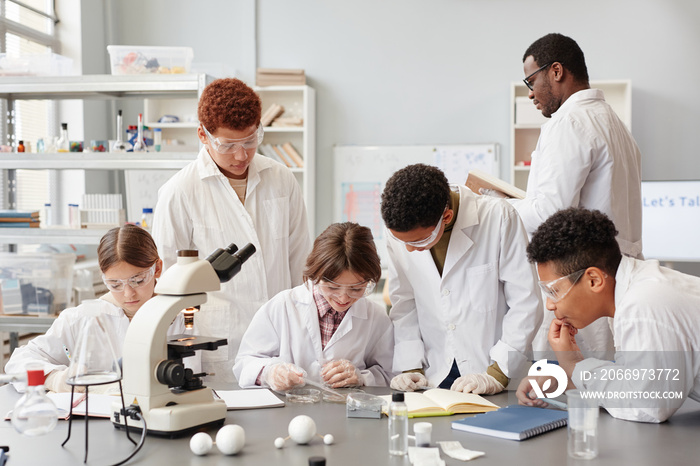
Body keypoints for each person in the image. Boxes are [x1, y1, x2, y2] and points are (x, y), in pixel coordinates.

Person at [152, 78, 311, 383]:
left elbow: (300, 261)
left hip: (281, 341)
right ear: (203, 134)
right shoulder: (179, 192)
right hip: (218, 345)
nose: (241, 156)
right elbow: (168, 282)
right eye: (227, 145)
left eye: (250, 141)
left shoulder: (281, 179)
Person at [503, 33, 643, 354]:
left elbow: (548, 215)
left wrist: (496, 208)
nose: (530, 95)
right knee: (609, 385)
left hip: (581, 285)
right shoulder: (616, 125)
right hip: (613, 282)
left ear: (556, 72)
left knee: (576, 387)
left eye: (530, 81)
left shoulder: (570, 122)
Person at [516, 208, 700, 423]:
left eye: (553, 291)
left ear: (593, 280)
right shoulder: (636, 286)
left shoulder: (643, 304)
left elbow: (648, 405)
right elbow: (635, 379)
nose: (549, 305)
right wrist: (567, 379)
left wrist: (574, 365)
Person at [381, 164, 542, 394]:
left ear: (446, 216)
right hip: (433, 373)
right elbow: (403, 303)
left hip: (489, 369)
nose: (407, 249)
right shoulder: (400, 230)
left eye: (416, 242)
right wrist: (410, 367)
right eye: (402, 241)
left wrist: (499, 372)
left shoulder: (498, 217)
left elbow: (526, 302)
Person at [4, 224, 194, 392]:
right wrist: (53, 379)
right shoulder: (80, 319)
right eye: (115, 284)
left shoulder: (181, 318)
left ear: (158, 269)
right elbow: (18, 362)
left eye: (137, 280)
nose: (128, 293)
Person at [234, 222, 394, 390]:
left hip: (346, 411)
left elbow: (390, 374)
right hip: (288, 411)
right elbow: (244, 363)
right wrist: (269, 372)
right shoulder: (282, 306)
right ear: (316, 274)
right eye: (332, 287)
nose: (343, 297)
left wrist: (361, 377)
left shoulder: (376, 318)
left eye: (356, 288)